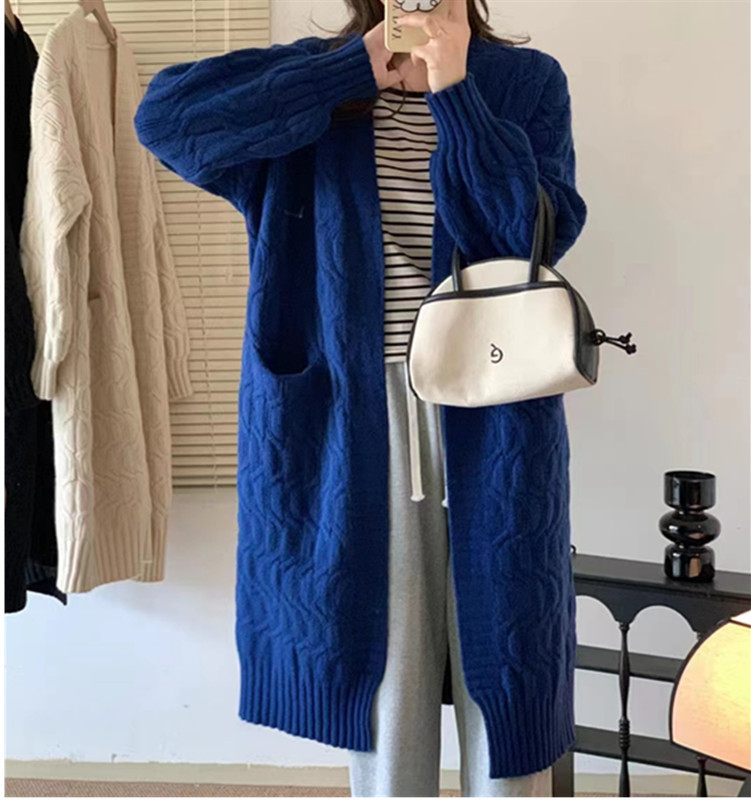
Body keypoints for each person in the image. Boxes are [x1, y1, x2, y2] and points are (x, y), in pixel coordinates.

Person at [135, 0, 587, 796]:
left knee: (509, 670)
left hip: (494, 410)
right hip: (353, 414)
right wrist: (354, 68)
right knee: (386, 686)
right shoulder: (316, 79)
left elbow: (532, 237)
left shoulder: (525, 82)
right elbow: (166, 119)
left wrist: (456, 90)